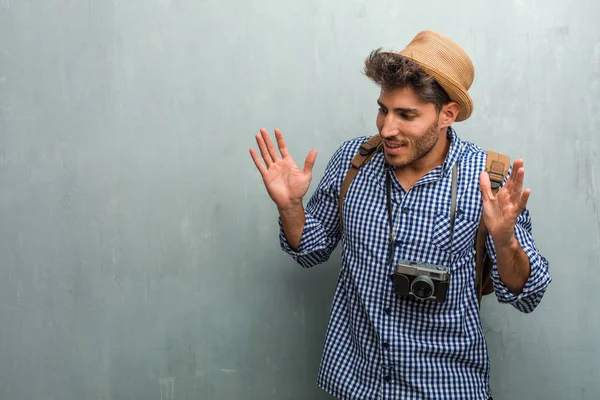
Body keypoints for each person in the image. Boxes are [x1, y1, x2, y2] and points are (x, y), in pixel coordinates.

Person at [249, 30, 551, 400]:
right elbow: (310, 249)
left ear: (448, 115)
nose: (387, 128)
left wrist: (505, 242)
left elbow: (527, 295)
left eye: (406, 115)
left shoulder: (490, 180)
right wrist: (290, 206)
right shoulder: (353, 161)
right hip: (355, 384)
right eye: (383, 109)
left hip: (444, 387)